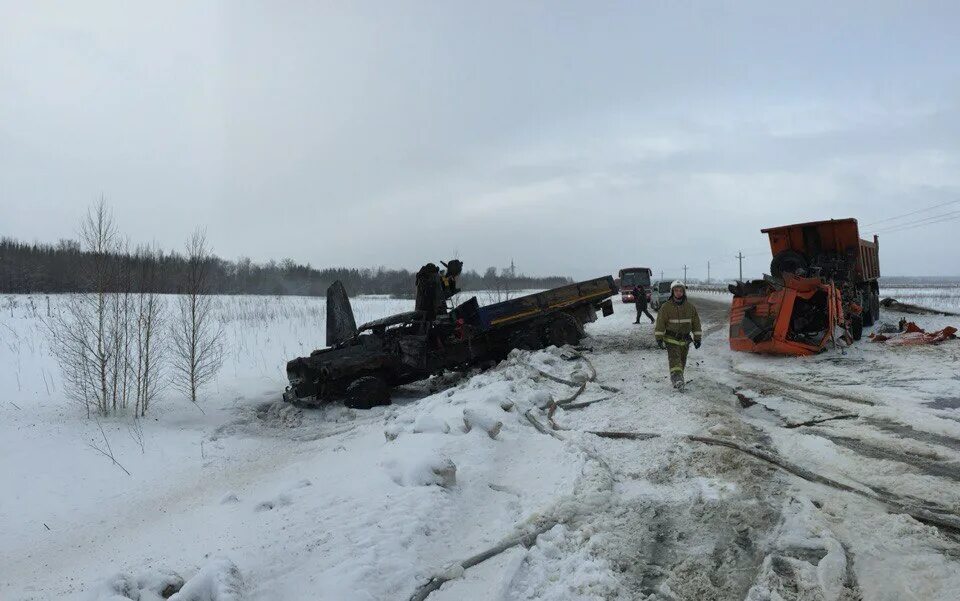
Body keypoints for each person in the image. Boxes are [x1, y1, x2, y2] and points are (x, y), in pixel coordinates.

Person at [654, 281, 702, 390]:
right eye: (676, 290)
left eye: (681, 291)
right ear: (672, 292)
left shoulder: (690, 307)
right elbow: (660, 323)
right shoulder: (666, 307)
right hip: (671, 339)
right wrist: (659, 338)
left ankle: (679, 378)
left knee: (682, 361)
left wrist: (697, 338)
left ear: (684, 292)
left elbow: (696, 324)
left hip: (685, 340)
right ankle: (677, 380)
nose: (678, 293)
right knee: (675, 360)